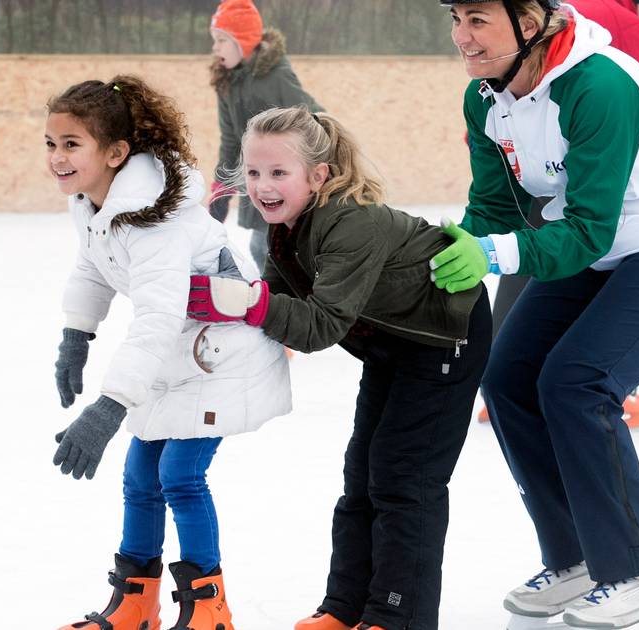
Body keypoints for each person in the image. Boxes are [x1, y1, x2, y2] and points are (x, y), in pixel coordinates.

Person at [441, 1, 639, 627]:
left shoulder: (599, 82)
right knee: (507, 377)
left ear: (529, 21)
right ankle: (574, 557)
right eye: (458, 20)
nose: (462, 38)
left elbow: (589, 230)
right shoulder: (485, 98)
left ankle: (638, 570)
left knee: (577, 382)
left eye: (478, 20)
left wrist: (490, 255)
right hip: (598, 242)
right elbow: (494, 207)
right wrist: (441, 254)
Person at [185, 106, 491, 630]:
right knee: (362, 476)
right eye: (254, 172)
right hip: (390, 344)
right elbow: (278, 310)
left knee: (403, 478)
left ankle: (398, 616)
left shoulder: (352, 223)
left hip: (444, 336)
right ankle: (346, 608)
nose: (262, 186)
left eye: (279, 173)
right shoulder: (288, 229)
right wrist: (223, 314)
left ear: (319, 175)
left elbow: (317, 326)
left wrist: (246, 302)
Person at [47, 75, 292, 630]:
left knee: (180, 475)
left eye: (71, 145)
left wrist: (108, 408)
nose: (58, 158)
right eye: (51, 144)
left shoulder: (155, 219)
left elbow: (156, 318)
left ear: (115, 153)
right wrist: (76, 335)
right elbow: (93, 265)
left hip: (224, 352)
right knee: (140, 476)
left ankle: (210, 607)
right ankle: (136, 604)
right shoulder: (92, 201)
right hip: (177, 352)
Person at [476, 0, 639, 428]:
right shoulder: (627, 25)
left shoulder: (564, 8)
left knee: (526, 253)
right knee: (584, 253)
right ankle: (612, 386)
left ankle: (504, 374)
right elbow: (638, 95)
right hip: (578, 149)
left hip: (518, 141)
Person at [208, 0, 323, 268]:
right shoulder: (226, 84)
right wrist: (222, 190)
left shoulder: (276, 77)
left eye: (222, 40)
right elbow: (231, 141)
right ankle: (279, 303)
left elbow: (314, 117)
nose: (215, 48)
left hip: (286, 178)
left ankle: (292, 303)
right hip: (259, 179)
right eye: (214, 40)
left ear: (243, 42)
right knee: (261, 247)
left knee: (266, 247)